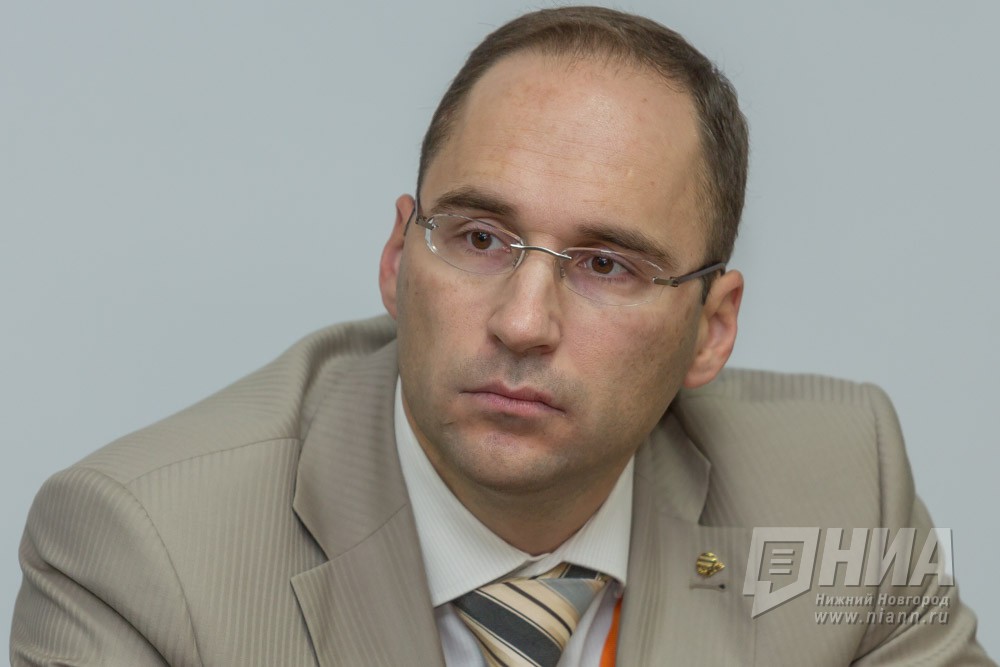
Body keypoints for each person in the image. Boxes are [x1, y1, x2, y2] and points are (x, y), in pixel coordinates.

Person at [10, 6, 993, 666]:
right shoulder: (142, 555)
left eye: (607, 264)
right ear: (398, 257)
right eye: (479, 238)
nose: (522, 322)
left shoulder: (839, 487)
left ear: (711, 327)